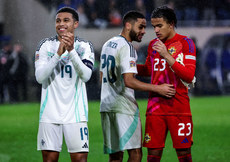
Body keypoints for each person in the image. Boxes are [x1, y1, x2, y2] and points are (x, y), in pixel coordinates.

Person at [99, 11, 176, 162]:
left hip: (107, 105)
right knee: (135, 154)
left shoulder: (108, 43)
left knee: (115, 156)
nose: (143, 31)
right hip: (124, 108)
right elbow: (129, 81)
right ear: (128, 25)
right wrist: (158, 88)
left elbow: (102, 76)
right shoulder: (127, 47)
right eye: (140, 27)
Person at [35, 7, 94, 162]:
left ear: (76, 24)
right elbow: (40, 78)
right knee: (49, 160)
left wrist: (72, 52)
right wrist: (57, 55)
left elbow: (86, 75)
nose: (61, 24)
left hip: (76, 114)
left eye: (66, 20)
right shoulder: (45, 46)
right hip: (49, 113)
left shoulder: (84, 46)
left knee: (80, 160)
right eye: (58, 21)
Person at [137, 6, 196, 162]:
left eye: (159, 25)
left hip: (179, 108)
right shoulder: (153, 45)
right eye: (154, 26)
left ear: (171, 24)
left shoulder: (186, 43)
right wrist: (128, 65)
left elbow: (189, 76)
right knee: (153, 156)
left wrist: (166, 54)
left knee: (184, 156)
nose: (156, 30)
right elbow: (149, 70)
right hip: (155, 108)